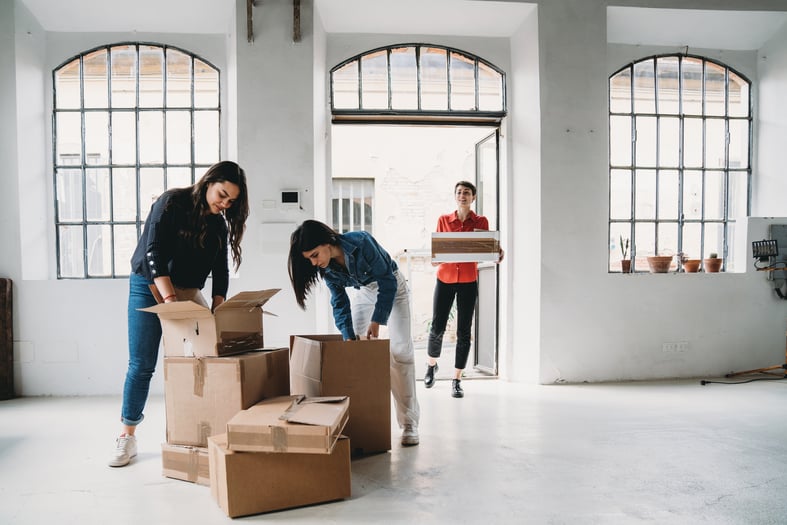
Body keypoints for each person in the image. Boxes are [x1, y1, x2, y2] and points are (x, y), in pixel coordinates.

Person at [109, 160, 249, 467]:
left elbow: (220, 268)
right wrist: (169, 299)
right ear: (209, 182)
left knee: (209, 357)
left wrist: (218, 305)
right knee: (142, 363)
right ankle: (127, 436)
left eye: (231, 201)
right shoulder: (172, 201)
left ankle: (204, 427)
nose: (224, 203)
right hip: (149, 284)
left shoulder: (218, 223)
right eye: (222, 194)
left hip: (186, 290)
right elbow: (153, 249)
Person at [288, 220, 421, 446]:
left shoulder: (361, 241)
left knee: (400, 352)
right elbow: (339, 302)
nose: (314, 262)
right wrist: (348, 334)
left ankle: (409, 423)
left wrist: (378, 319)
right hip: (366, 292)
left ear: (326, 242)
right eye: (309, 259)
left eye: (314, 255)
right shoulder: (326, 268)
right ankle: (360, 419)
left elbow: (387, 281)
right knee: (353, 350)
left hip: (393, 287)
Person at [424, 181, 503, 398]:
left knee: (464, 332)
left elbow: (485, 249)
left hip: (468, 280)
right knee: (437, 326)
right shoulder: (443, 220)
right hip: (445, 278)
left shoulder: (480, 221)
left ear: (473, 197)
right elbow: (438, 249)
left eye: (466, 193)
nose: (462, 195)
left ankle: (457, 379)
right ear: (455, 196)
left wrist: (496, 251)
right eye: (459, 192)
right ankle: (431, 365)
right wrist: (434, 258)